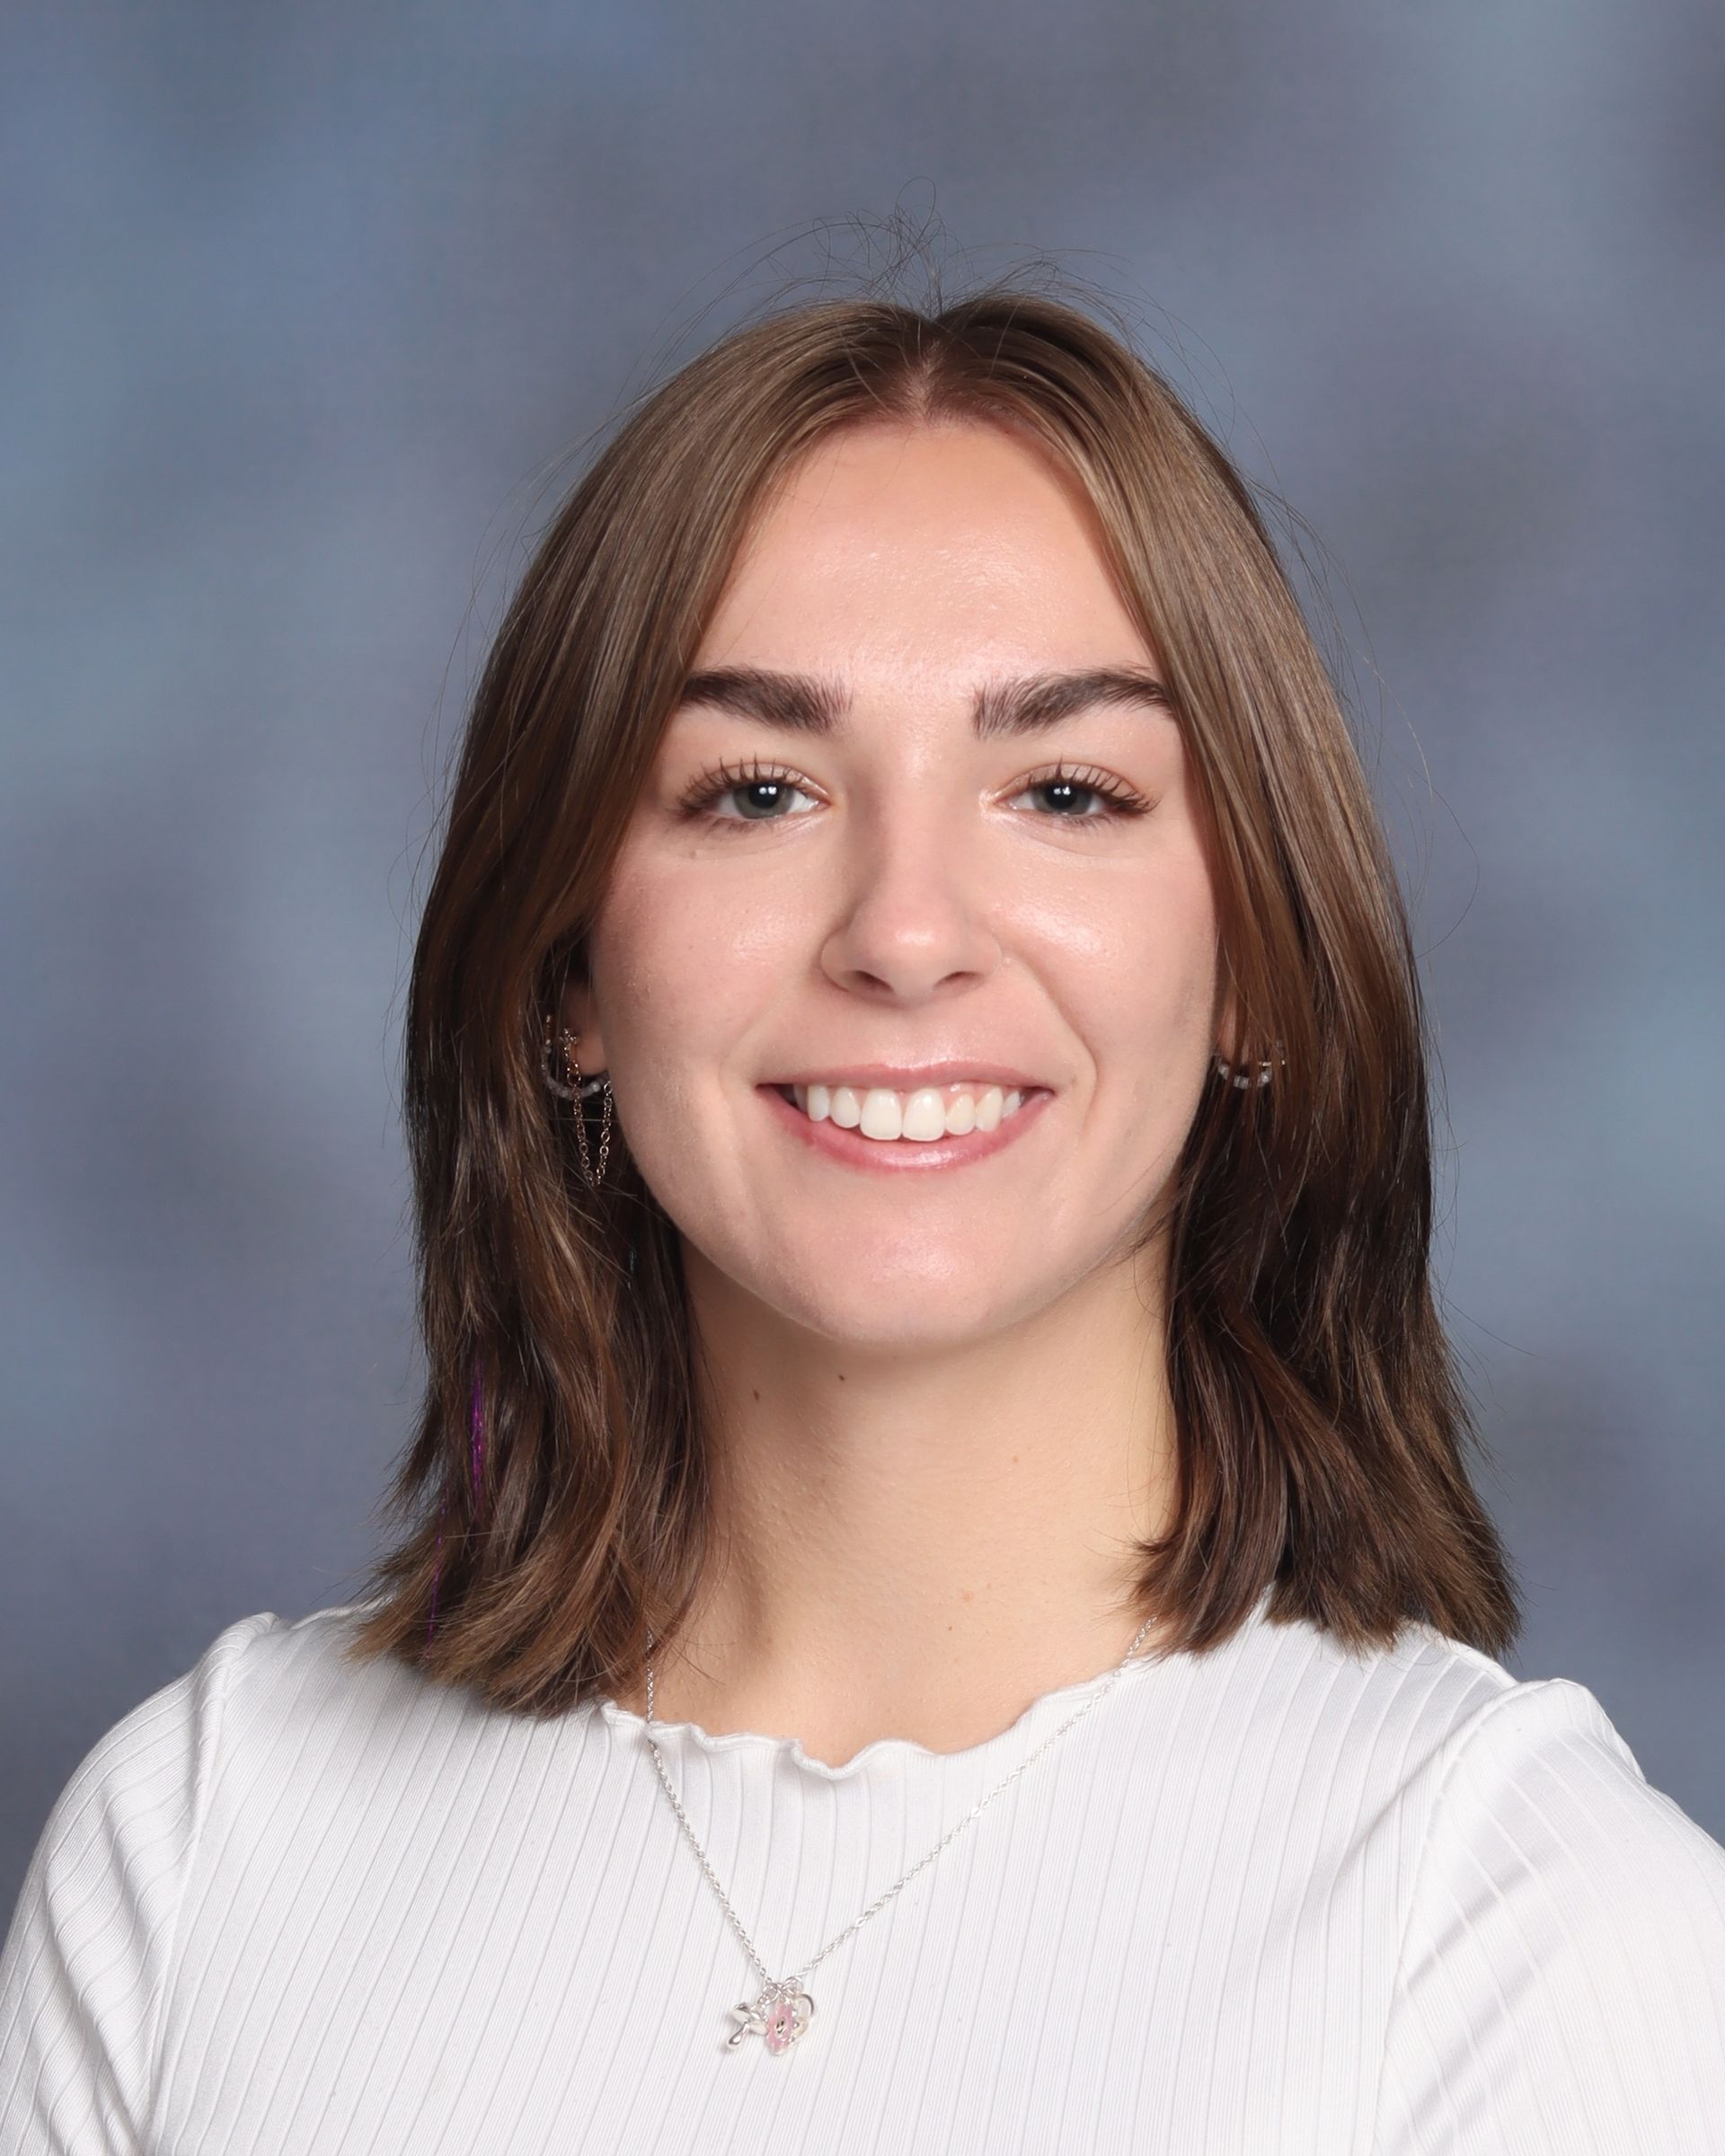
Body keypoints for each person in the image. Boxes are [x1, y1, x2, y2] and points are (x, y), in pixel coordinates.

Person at [3, 279, 1722, 2154]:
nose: (905, 933)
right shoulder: (202, 1848)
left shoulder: (1519, 1929)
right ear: (568, 972)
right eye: (756, 792)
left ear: (1255, 976)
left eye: (1066, 789)